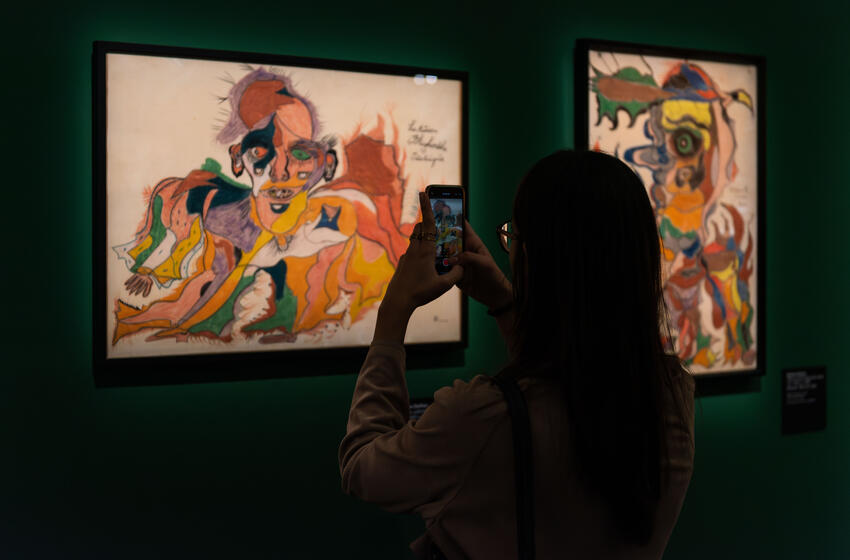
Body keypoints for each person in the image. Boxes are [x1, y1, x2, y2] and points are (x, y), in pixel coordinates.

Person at [338, 150, 695, 559]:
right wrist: (507, 303)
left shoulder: (483, 416)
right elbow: (571, 379)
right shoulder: (671, 396)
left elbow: (363, 466)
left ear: (530, 257)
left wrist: (392, 314)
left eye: (513, 237)